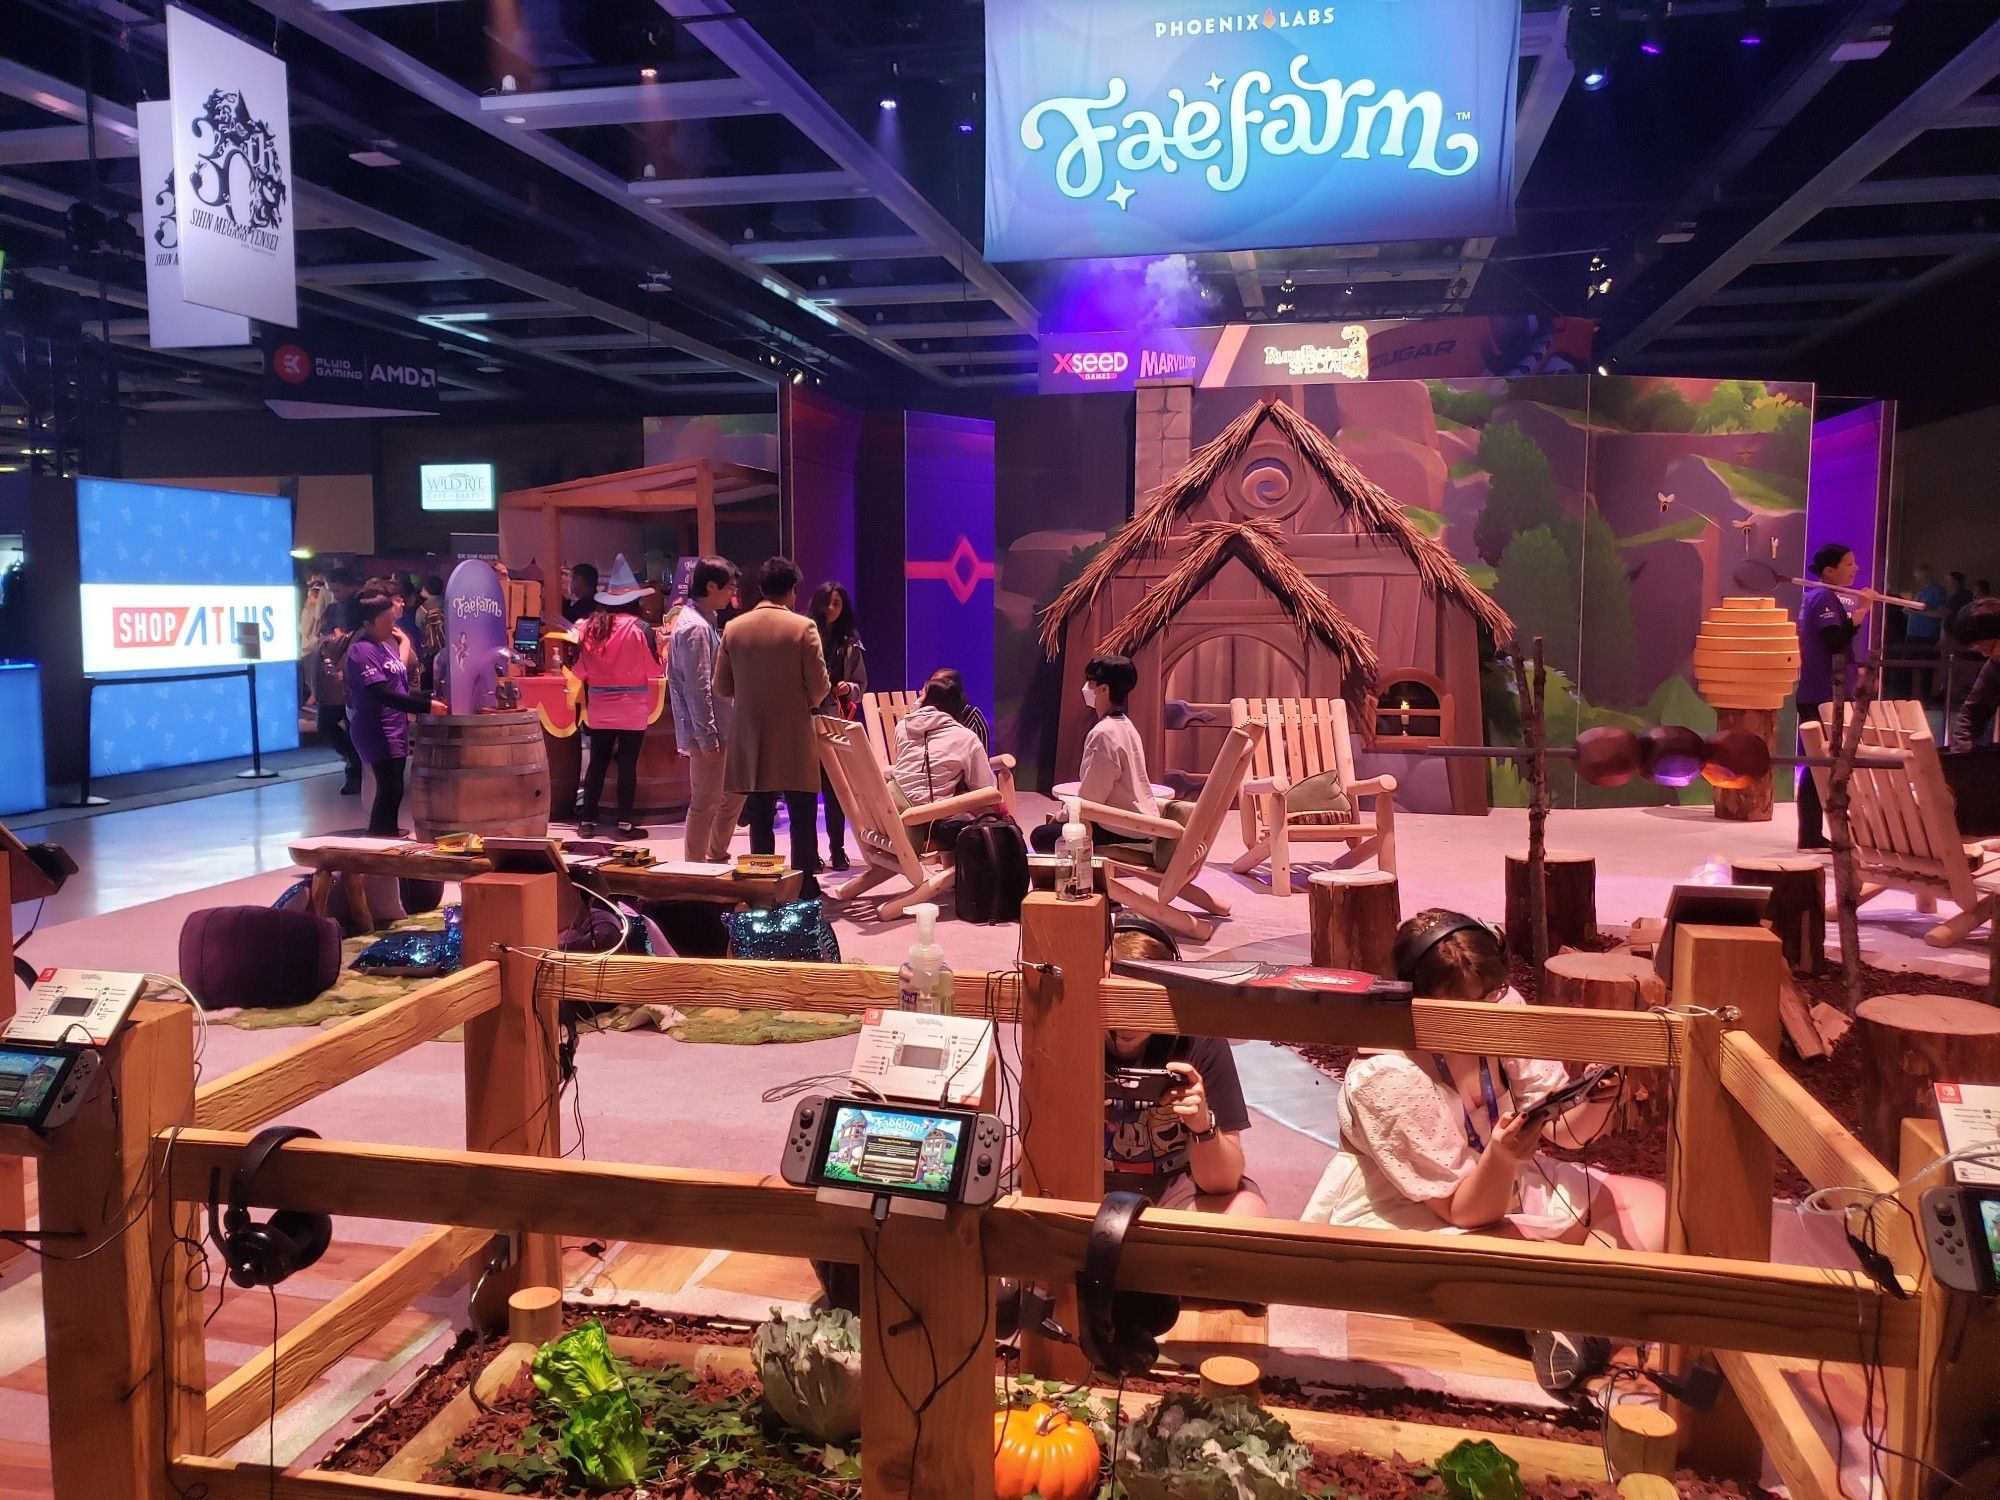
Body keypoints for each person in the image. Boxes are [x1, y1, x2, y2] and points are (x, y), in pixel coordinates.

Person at [1307, 910, 1663, 1392]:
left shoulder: (1501, 1006)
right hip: (1417, 1212)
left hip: (1504, 1178)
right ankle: (1582, 1312)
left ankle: (1571, 1319)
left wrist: (1597, 1101)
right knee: (1503, 1257)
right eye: (1465, 1007)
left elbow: (1560, 1131)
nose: (1488, 1013)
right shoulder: (1387, 1076)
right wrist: (1502, 1157)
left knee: (1654, 1208)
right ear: (1420, 1001)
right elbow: (1462, 1209)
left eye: (1492, 997)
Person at [1106, 919, 1268, 1218]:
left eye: (1145, 1004)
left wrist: (1202, 1126)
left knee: (1248, 1212)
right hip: (1084, 1185)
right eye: (1117, 1001)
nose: (1129, 1020)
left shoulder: (1198, 1038)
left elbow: (1222, 1182)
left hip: (1175, 1187)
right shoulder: (1073, 1030)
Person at [715, 556, 832, 891]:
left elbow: (722, 687)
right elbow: (819, 685)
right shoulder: (803, 628)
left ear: (762, 588)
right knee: (802, 817)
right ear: (793, 590)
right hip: (795, 734)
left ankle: (763, 885)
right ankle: (804, 885)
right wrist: (803, 703)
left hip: (751, 736)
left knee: (761, 817)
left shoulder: (734, 629)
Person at [1030, 653, 1157, 854]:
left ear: (1104, 689)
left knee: (1041, 836)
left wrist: (1063, 815)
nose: (1086, 688)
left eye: (1090, 682)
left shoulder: (1104, 733)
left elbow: (1092, 798)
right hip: (1139, 823)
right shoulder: (1126, 725)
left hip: (1122, 827)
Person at [574, 555, 661, 839]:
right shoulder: (642, 629)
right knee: (627, 765)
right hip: (632, 707)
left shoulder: (588, 627)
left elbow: (579, 669)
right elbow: (654, 669)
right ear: (634, 601)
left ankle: (587, 822)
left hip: (599, 707)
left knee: (597, 763)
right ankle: (625, 824)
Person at [344, 589, 444, 836]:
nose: (393, 626)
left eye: (393, 621)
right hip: (376, 728)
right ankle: (378, 837)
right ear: (367, 623)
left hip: (394, 726)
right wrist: (425, 707)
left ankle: (387, 832)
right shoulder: (361, 651)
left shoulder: (384, 647)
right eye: (387, 622)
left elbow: (400, 687)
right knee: (389, 787)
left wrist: (430, 697)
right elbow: (381, 693)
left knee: (395, 787)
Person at [1795, 542, 1870, 850]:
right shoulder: (1823, 597)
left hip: (1821, 692)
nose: (1856, 568)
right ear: (1829, 571)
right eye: (1849, 563)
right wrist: (1861, 613)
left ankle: (1812, 834)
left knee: (1819, 765)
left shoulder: (1816, 596)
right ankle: (1811, 835)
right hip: (1822, 694)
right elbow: (1834, 642)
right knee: (1818, 766)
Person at [669, 556, 743, 862]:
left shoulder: (701, 622)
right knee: (705, 801)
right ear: (711, 586)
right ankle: (695, 867)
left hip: (720, 726)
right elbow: (697, 689)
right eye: (729, 588)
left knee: (735, 793)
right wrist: (708, 735)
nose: (732, 595)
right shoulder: (695, 628)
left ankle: (715, 854)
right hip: (710, 731)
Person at [890, 669, 996, 843]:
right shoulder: (965, 737)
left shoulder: (902, 727)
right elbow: (985, 788)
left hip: (893, 818)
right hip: (927, 826)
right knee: (991, 825)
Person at [808, 582, 868, 870]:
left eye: (837, 603)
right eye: (827, 602)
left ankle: (838, 849)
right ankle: (809, 852)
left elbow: (862, 684)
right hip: (806, 720)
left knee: (836, 790)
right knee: (806, 790)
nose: (831, 609)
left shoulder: (850, 640)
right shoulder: (805, 633)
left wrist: (849, 688)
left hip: (836, 721)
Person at [314, 565, 365, 795]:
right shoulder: (334, 609)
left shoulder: (362, 605)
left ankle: (356, 770)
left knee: (352, 723)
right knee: (326, 723)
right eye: (332, 591)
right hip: (335, 675)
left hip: (353, 674)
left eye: (338, 590)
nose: (335, 595)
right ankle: (354, 761)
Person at [1948, 599, 2000, 752]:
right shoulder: (1996, 666)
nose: (1985, 654)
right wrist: (1959, 758)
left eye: (1987, 647)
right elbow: (1971, 715)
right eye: (1979, 650)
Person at [1898, 564, 1947, 700]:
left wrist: (1915, 611)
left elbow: (1941, 614)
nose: (1920, 578)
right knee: (1906, 667)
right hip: (1912, 634)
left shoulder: (1937, 591)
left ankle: (1925, 699)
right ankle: (1905, 698)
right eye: (1918, 576)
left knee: (1926, 670)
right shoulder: (1920, 590)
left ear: (1929, 574)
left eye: (1922, 575)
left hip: (1927, 635)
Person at [415, 574, 447, 694]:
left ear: (426, 589)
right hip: (448, 650)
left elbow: (419, 628)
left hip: (429, 654)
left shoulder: (422, 609)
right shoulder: (447, 603)